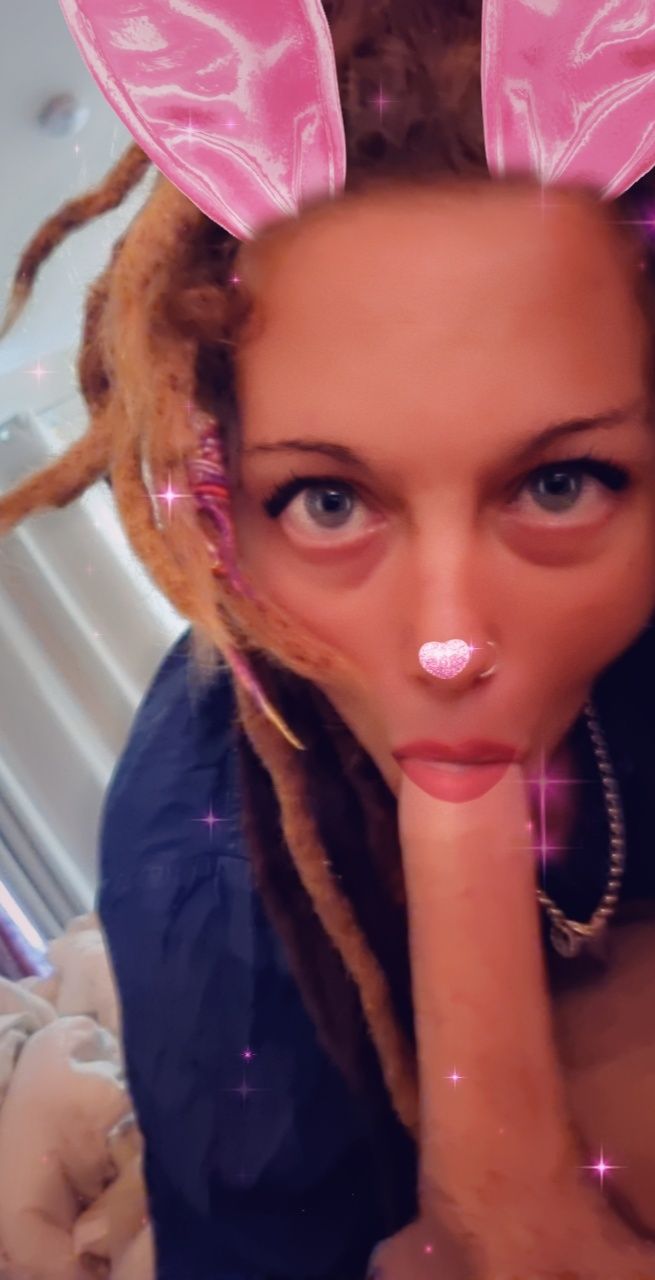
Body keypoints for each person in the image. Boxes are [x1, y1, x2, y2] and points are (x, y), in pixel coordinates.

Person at [2, 1, 655, 1276]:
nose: (449, 639)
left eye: (557, 481)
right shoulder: (209, 861)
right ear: (221, 512)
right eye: (330, 502)